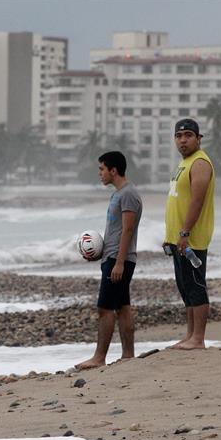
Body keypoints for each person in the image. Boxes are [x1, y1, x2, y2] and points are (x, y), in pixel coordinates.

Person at [76, 151, 143, 370]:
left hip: (118, 259)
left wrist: (119, 262)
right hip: (112, 257)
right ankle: (128, 356)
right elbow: (116, 231)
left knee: (104, 309)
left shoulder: (128, 194)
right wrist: (99, 253)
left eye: (102, 169)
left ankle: (99, 357)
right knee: (122, 306)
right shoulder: (118, 194)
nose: (100, 174)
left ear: (113, 170)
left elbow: (128, 230)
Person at [164, 118, 215, 350]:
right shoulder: (184, 163)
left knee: (195, 284)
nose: (183, 140)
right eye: (179, 136)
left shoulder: (200, 163)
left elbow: (196, 201)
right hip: (179, 238)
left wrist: (184, 232)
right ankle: (190, 335)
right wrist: (170, 236)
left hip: (192, 238)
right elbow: (177, 201)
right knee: (184, 286)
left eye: (188, 135)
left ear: (198, 138)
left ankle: (198, 338)